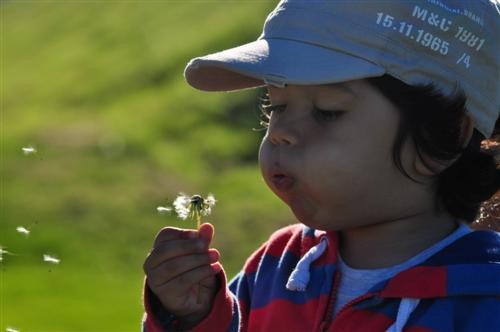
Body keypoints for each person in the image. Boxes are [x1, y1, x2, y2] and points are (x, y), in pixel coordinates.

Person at [142, 1, 500, 331]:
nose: (280, 132)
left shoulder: (482, 303)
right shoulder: (278, 266)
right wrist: (193, 316)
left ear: (445, 135)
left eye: (327, 111)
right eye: (276, 107)